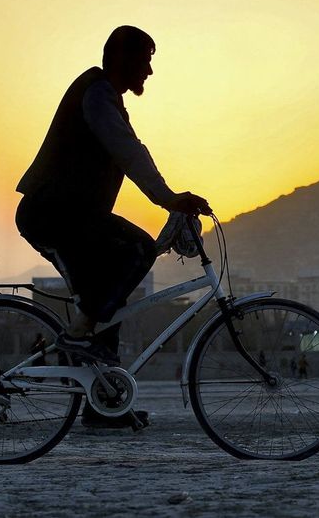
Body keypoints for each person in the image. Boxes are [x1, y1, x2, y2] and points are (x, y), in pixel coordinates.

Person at [15, 26, 211, 429]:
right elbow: (128, 152)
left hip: (72, 214)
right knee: (135, 250)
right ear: (123, 60)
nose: (150, 72)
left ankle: (103, 402)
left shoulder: (108, 99)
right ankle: (78, 335)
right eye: (146, 61)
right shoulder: (98, 93)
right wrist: (169, 198)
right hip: (55, 212)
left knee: (108, 299)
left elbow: (133, 151)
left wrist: (168, 200)